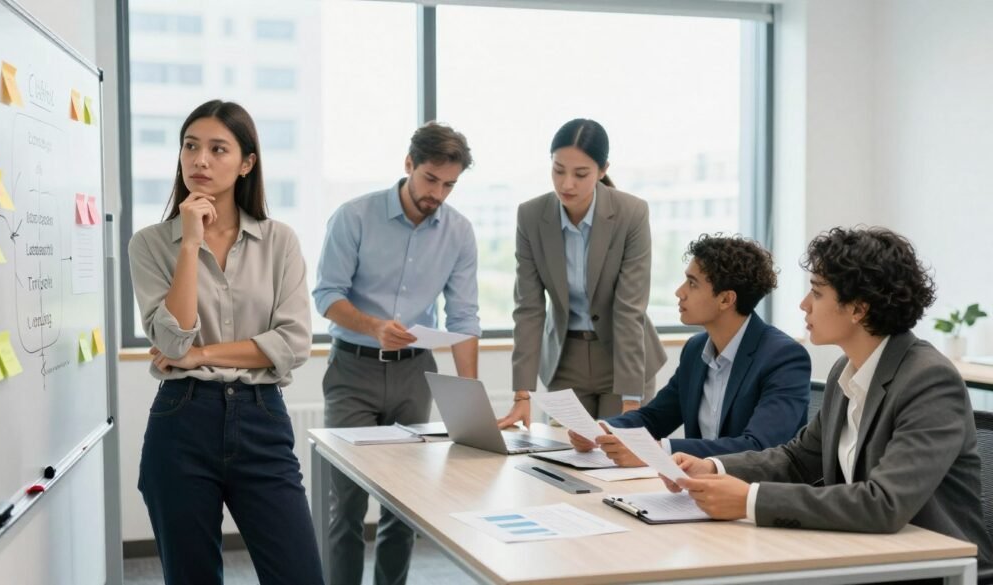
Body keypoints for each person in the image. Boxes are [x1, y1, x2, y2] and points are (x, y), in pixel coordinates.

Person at [666, 227, 993, 570]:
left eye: (817, 293)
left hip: (939, 568)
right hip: (862, 554)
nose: (804, 304)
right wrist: (714, 467)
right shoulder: (845, 371)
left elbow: (884, 503)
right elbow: (797, 460)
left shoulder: (928, 380)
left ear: (858, 309)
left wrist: (750, 500)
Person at [128, 100, 323, 585]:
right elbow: (173, 340)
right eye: (191, 147)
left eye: (218, 149)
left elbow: (294, 341)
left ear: (247, 163)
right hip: (182, 421)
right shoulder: (151, 244)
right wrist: (189, 245)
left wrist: (202, 354)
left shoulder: (280, 241)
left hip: (262, 419)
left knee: (299, 575)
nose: (200, 161)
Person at [312, 121, 480, 585]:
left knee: (404, 502)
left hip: (413, 375)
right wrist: (374, 326)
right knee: (345, 502)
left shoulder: (460, 233)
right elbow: (327, 295)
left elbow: (463, 318)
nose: (438, 194)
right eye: (430, 179)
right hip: (353, 369)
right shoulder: (354, 216)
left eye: (449, 184)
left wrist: (469, 399)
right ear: (408, 164)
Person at [570, 235, 811, 462]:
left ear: (726, 299)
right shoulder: (696, 349)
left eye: (692, 284)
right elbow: (654, 417)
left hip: (751, 495)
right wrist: (602, 429)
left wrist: (659, 451)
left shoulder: (783, 357)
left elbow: (759, 447)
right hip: (695, 489)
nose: (680, 292)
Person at [499, 118, 667, 428]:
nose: (567, 184)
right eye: (558, 170)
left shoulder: (631, 213)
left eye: (581, 174)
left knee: (617, 462)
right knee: (562, 459)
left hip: (624, 356)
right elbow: (529, 309)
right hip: (566, 360)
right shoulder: (531, 216)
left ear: (603, 170)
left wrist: (632, 400)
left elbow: (629, 309)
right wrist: (522, 395)